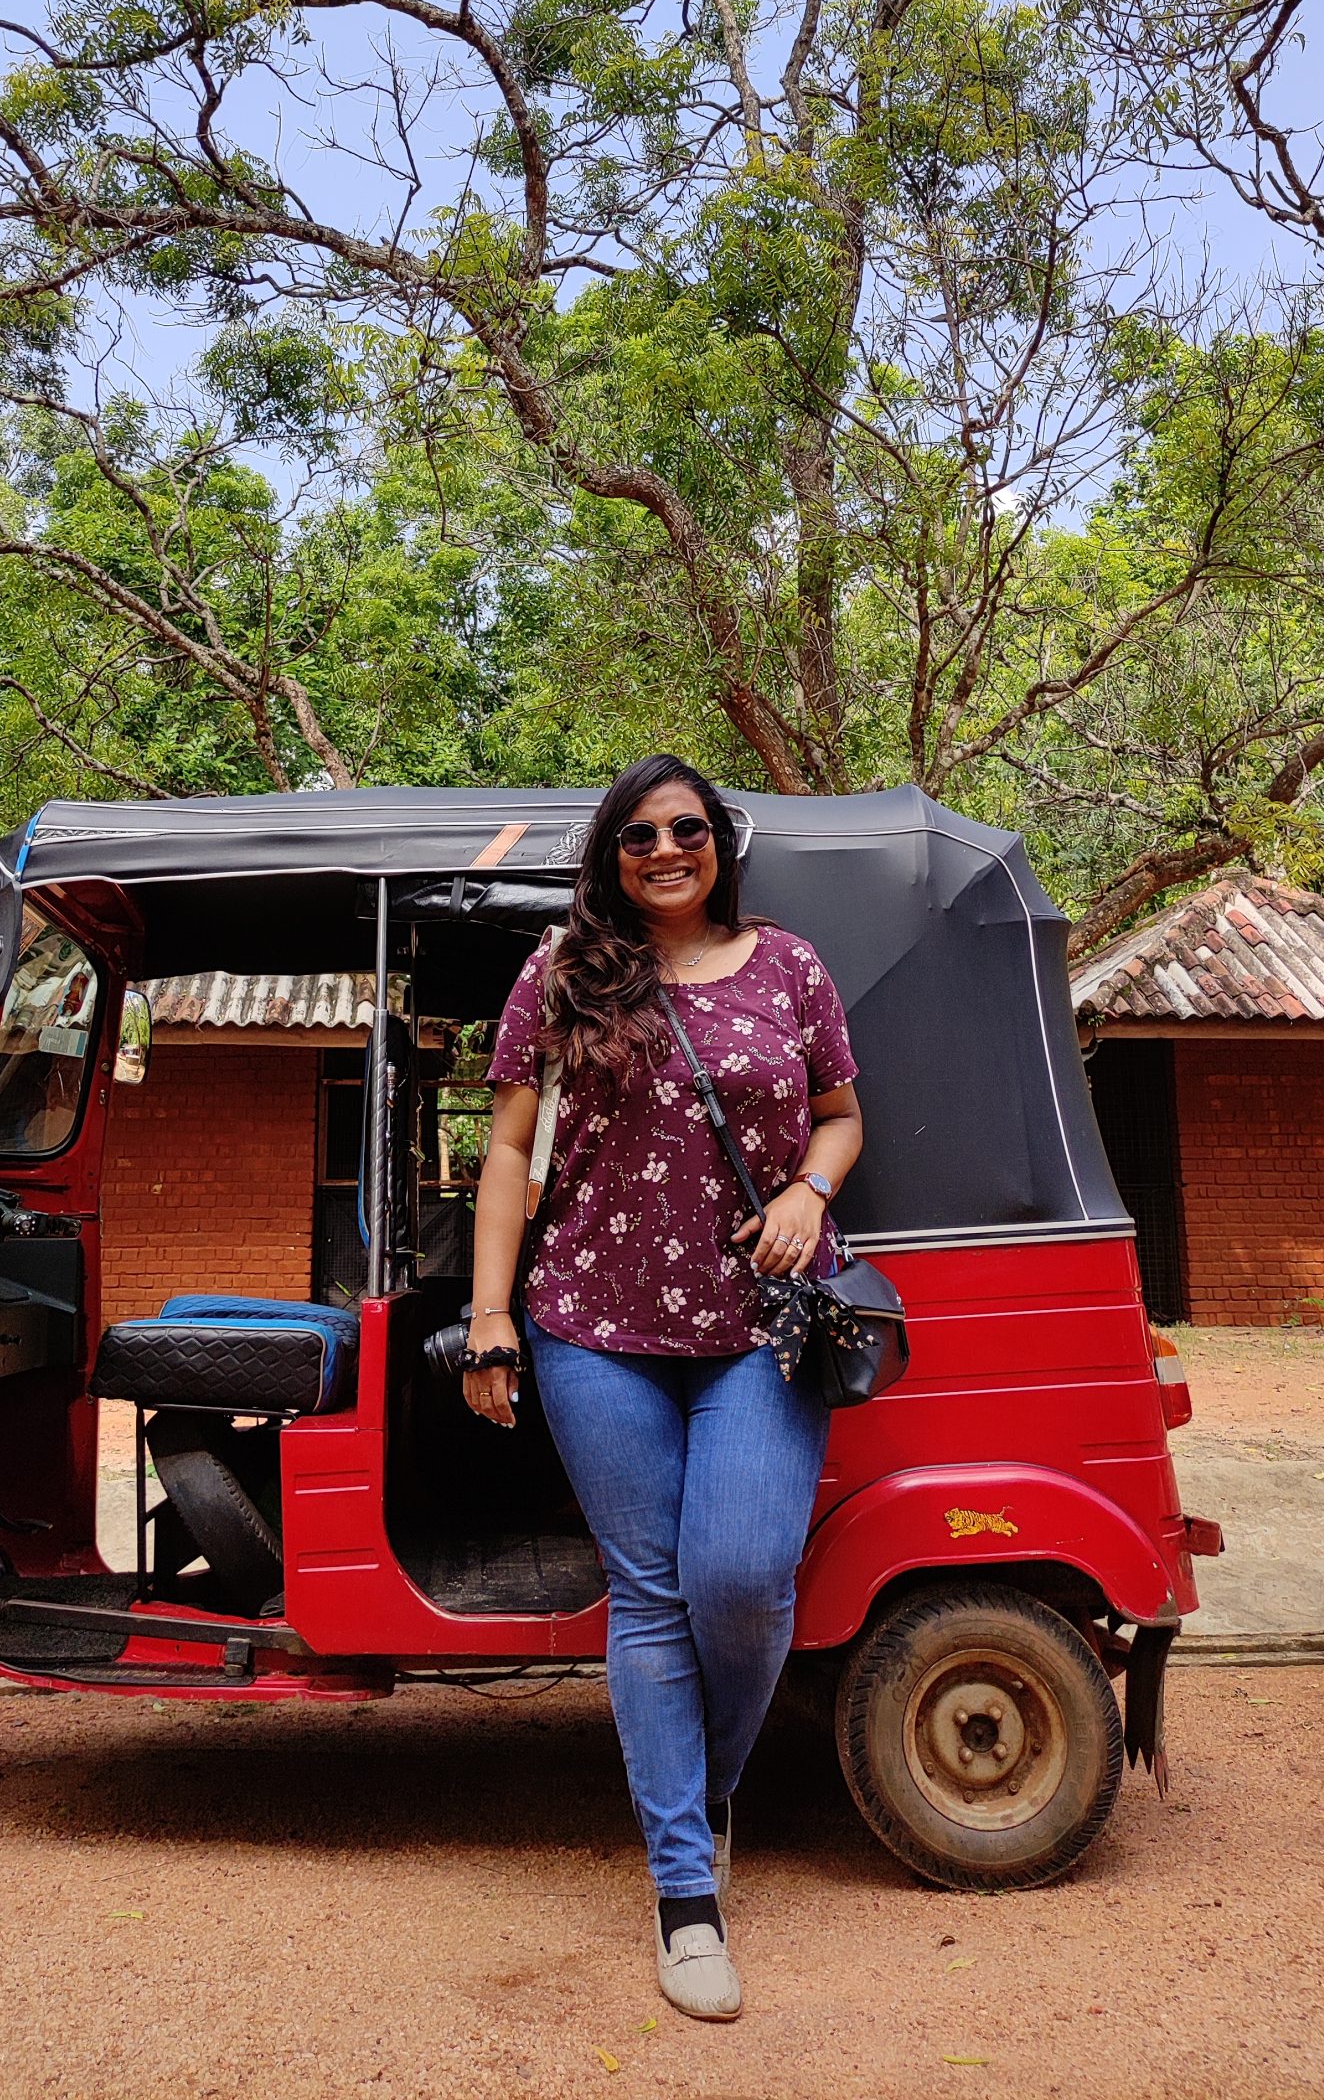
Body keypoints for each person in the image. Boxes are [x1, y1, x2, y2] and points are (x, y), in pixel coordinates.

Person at [467, 754, 863, 2021]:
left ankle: (707, 1787)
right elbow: (510, 1149)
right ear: (611, 852)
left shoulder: (790, 966)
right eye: (638, 834)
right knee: (647, 1596)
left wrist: (808, 1188)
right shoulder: (561, 972)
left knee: (740, 1580)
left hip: (759, 1326)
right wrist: (487, 1319)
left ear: (717, 842)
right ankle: (684, 1889)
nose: (664, 849)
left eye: (686, 827)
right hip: (593, 1325)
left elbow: (841, 1115)